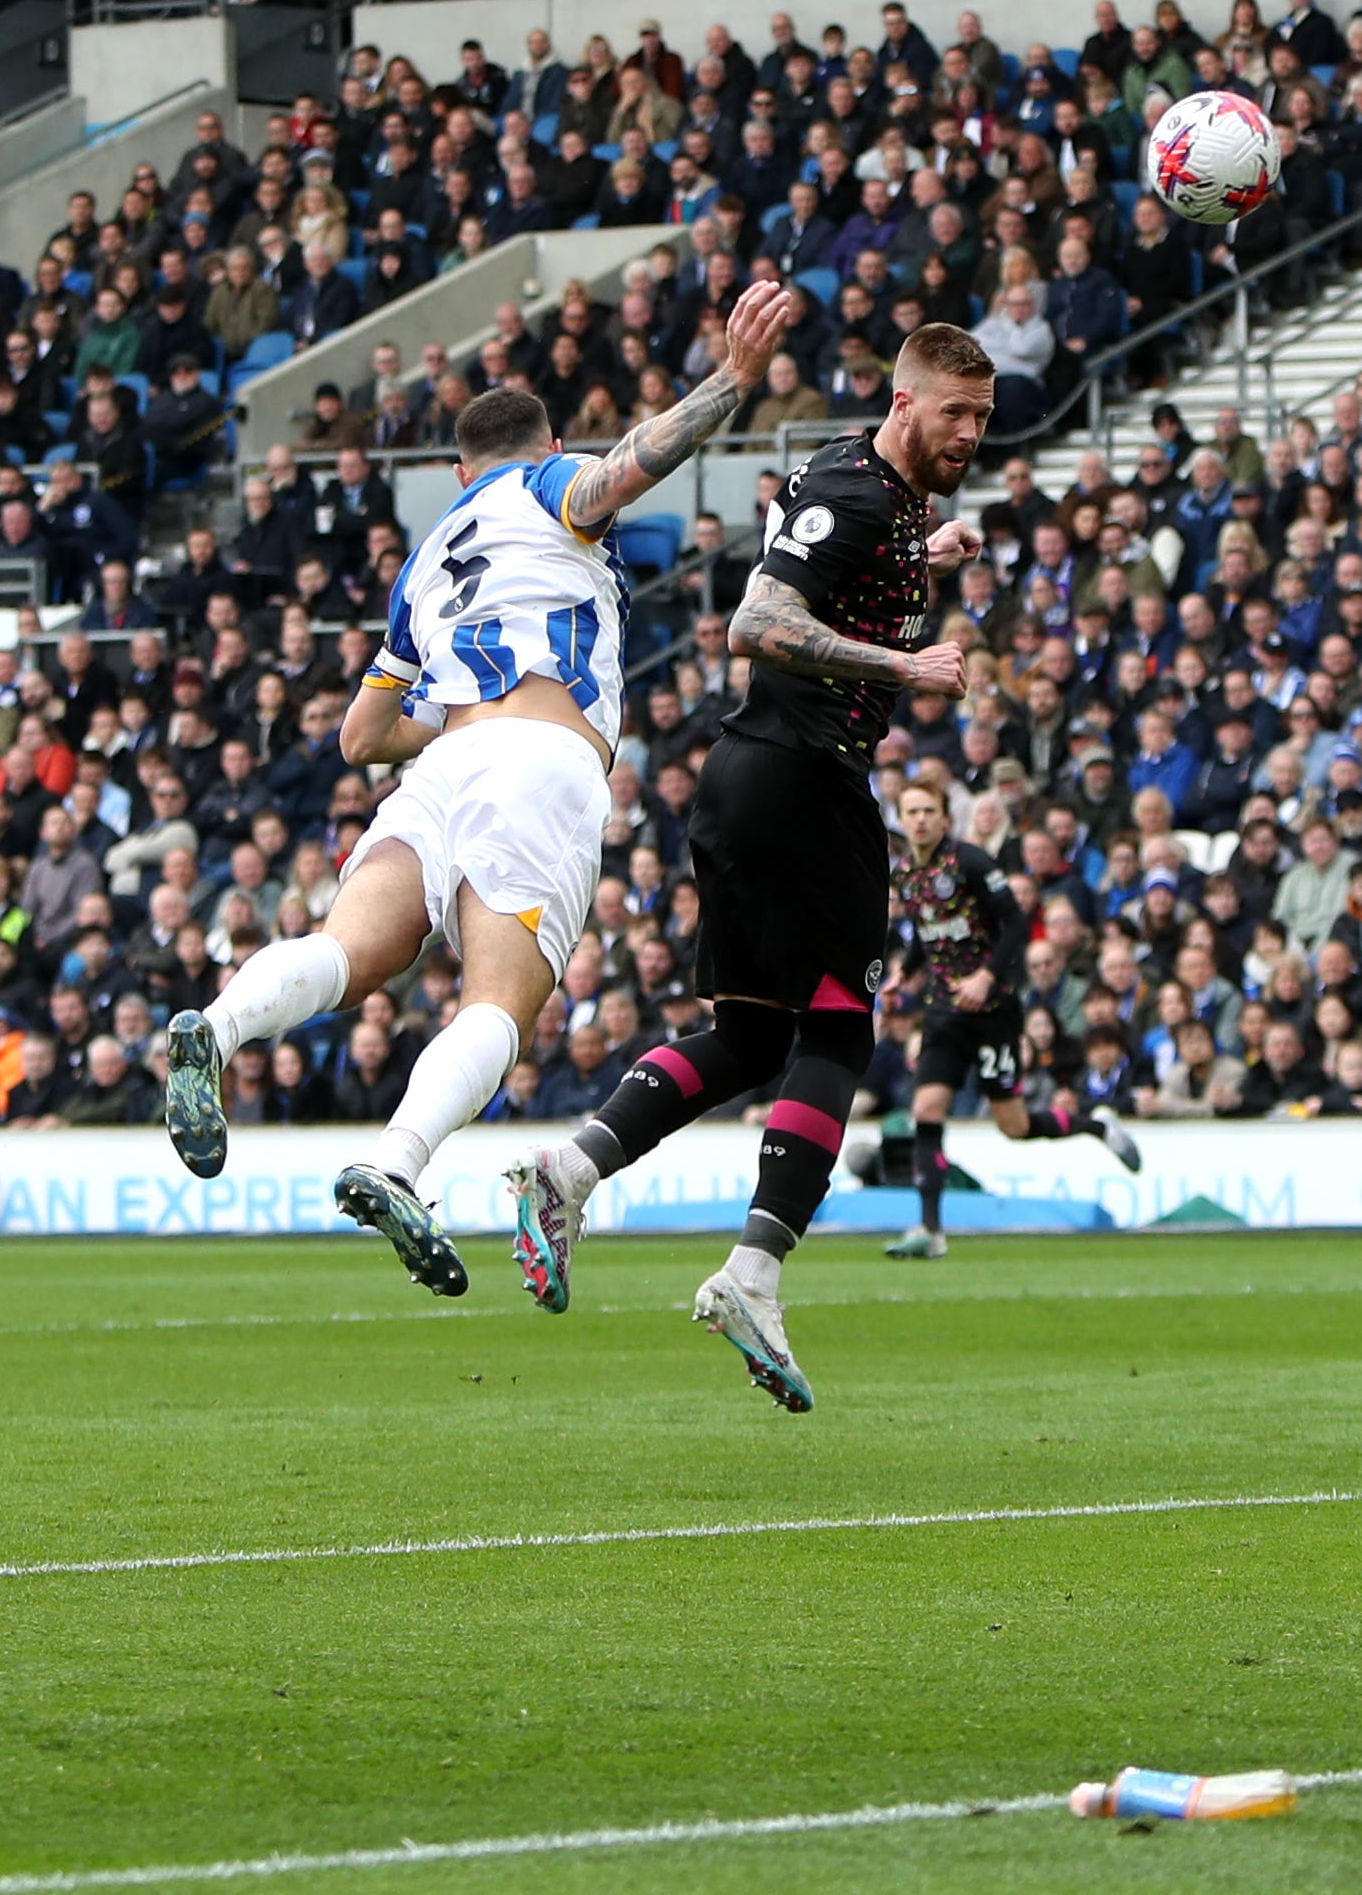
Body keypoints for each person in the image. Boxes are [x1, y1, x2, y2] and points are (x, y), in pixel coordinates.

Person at [503, 327, 1100, 1410]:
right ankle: (753, 1274)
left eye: (985, 414)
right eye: (955, 413)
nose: (974, 432)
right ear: (904, 401)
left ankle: (571, 1169)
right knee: (837, 1033)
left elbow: (835, 567)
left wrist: (932, 560)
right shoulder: (867, 498)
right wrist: (902, 662)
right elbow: (757, 619)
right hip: (802, 776)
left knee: (751, 1034)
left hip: (753, 777)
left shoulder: (871, 488)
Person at [158, 279, 791, 1294]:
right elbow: (624, 472)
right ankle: (395, 1161)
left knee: (345, 952)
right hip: (540, 763)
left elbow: (362, 735)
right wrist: (733, 380)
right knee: (500, 1001)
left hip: (440, 763)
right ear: (541, 448)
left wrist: (447, 717)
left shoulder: (423, 563)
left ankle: (219, 1028)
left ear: (457, 469)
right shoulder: (544, 489)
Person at [874, 774, 1123, 1259]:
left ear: (945, 817)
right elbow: (931, 936)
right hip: (944, 1012)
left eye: (929, 811)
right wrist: (906, 973)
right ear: (900, 820)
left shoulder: (970, 861)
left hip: (993, 1013)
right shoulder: (905, 875)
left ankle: (1095, 1126)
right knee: (926, 1109)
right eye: (912, 812)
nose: (921, 820)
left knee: (1014, 1126)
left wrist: (987, 975)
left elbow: (1013, 925)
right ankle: (930, 1230)